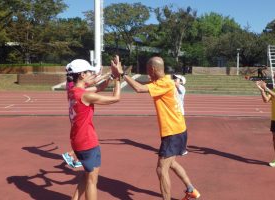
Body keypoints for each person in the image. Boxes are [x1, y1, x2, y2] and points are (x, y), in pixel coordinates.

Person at [120, 56, 200, 200]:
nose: (147, 73)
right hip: (178, 129)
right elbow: (143, 83)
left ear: (152, 69)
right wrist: (126, 76)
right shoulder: (165, 81)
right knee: (171, 163)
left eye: (147, 70)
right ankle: (191, 189)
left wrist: (123, 75)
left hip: (172, 131)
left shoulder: (163, 84)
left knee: (161, 169)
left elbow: (139, 88)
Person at [66, 57, 122, 200]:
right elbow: (116, 98)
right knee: (92, 181)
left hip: (77, 140)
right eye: (89, 72)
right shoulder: (85, 95)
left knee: (87, 176)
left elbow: (100, 87)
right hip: (87, 141)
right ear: (82, 75)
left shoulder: (73, 91)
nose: (92, 74)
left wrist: (110, 75)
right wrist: (117, 78)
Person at [62, 63, 108, 168]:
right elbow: (96, 85)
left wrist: (99, 75)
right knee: (82, 133)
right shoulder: (73, 86)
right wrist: (109, 76)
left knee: (80, 132)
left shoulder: (72, 83)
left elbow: (94, 83)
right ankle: (70, 154)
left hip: (75, 111)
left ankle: (77, 157)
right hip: (78, 105)